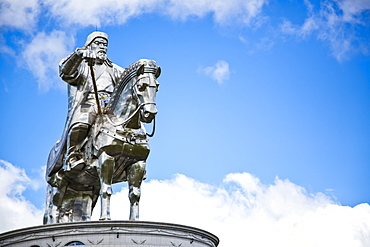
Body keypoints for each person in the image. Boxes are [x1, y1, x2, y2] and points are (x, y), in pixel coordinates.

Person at [59, 31, 124, 171]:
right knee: (81, 122)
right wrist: (78, 55)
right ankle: (73, 156)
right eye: (98, 43)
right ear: (89, 45)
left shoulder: (114, 69)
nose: (102, 47)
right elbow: (65, 72)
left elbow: (127, 81)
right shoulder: (82, 65)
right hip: (89, 102)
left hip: (111, 105)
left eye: (105, 45)